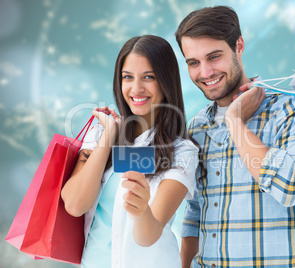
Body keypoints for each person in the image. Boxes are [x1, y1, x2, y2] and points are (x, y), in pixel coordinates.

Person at [175, 6, 295, 268]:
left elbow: (290, 187)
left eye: (214, 57)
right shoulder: (197, 126)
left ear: (238, 46)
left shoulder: (292, 109)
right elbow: (195, 212)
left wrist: (234, 121)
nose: (205, 72)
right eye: (193, 62)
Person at [61, 35, 199, 268]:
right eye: (128, 77)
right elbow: (75, 205)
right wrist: (109, 135)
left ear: (166, 81)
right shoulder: (99, 134)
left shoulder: (182, 151)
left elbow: (149, 234)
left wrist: (142, 209)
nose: (136, 88)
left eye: (149, 77)